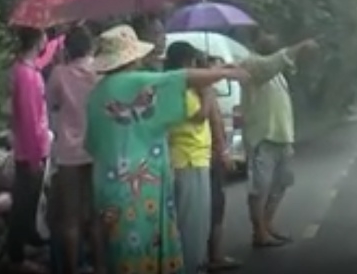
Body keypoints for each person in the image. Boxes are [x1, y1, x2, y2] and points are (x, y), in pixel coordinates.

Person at [85, 26, 248, 274]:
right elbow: (178, 78)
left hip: (108, 183)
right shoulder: (136, 81)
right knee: (144, 241)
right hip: (140, 185)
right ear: (132, 57)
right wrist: (224, 73)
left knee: (120, 246)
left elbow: (92, 144)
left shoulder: (95, 94)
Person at [237, 34, 318, 248]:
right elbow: (274, 62)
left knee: (280, 185)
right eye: (267, 41)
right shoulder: (252, 65)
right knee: (260, 188)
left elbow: (279, 64)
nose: (272, 44)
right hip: (262, 139)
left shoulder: (277, 74)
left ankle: (267, 224)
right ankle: (259, 232)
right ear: (258, 46)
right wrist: (300, 44)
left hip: (281, 138)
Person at [47, 29, 104, 274]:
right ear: (90, 48)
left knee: (70, 218)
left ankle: (72, 268)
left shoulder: (59, 74)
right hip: (96, 149)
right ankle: (101, 266)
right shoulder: (100, 72)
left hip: (68, 152)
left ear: (67, 49)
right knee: (96, 215)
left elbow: (51, 104)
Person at [8, 26, 64, 274]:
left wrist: (60, 40)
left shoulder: (23, 68)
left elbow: (43, 59)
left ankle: (22, 249)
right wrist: (34, 159)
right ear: (37, 39)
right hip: (31, 151)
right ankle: (17, 259)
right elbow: (31, 120)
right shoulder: (29, 77)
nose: (46, 39)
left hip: (28, 147)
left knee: (27, 203)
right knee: (24, 205)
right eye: (45, 36)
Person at [163, 41, 214, 274]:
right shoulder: (178, 87)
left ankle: (194, 263)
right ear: (186, 62)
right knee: (190, 224)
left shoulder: (186, 86)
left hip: (197, 157)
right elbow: (200, 116)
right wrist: (208, 89)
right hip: (186, 158)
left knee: (200, 222)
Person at [204, 56, 240, 272]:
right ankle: (215, 255)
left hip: (196, 157)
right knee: (216, 206)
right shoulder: (207, 92)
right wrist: (225, 153)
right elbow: (214, 123)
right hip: (208, 156)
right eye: (216, 68)